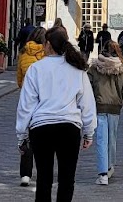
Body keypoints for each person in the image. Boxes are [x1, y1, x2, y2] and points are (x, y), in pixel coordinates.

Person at [16, 28, 96, 202]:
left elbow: (26, 105)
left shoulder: (36, 69)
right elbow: (87, 103)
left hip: (41, 128)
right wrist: (89, 132)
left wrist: (22, 134)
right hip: (69, 127)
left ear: (48, 45)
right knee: (67, 179)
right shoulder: (77, 69)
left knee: (44, 179)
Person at [88, 40, 123, 185]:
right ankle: (109, 166)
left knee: (102, 139)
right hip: (115, 107)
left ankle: (103, 174)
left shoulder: (95, 67)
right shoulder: (122, 67)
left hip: (100, 105)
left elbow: (88, 86)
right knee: (112, 138)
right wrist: (120, 100)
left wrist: (93, 100)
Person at [15, 27, 48, 186]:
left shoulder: (23, 53)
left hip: (27, 98)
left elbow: (19, 79)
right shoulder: (46, 55)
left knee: (26, 137)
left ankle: (25, 174)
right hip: (44, 100)